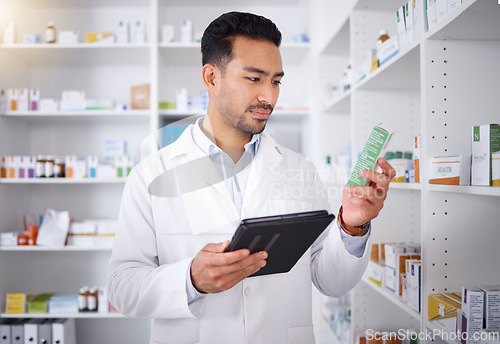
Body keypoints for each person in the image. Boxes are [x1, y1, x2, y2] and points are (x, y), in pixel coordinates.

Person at [107, 11, 395, 344]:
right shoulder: (151, 174)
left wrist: (352, 225)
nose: (269, 97)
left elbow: (330, 281)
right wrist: (191, 279)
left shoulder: (300, 170)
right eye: (254, 79)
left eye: (275, 81)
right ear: (212, 77)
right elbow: (122, 287)